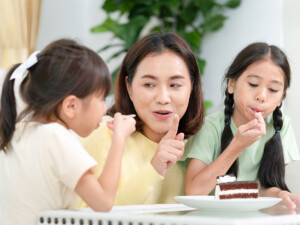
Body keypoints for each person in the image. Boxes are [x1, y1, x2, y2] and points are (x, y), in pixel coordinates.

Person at [0, 39, 136, 225]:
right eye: (102, 98)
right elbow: (103, 202)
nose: (105, 107)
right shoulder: (55, 137)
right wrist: (119, 138)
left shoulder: (16, 132)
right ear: (71, 106)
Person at [77, 32, 205, 206]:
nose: (163, 98)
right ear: (129, 87)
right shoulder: (104, 134)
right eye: (149, 84)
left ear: (192, 88)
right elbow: (81, 217)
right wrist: (154, 168)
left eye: (175, 85)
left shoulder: (199, 148)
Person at [185, 42, 300, 209]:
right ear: (231, 84)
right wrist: (237, 146)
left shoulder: (281, 126)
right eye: (253, 84)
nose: (261, 96)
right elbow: (194, 191)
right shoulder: (211, 126)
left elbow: (262, 189)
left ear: (281, 97)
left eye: (273, 89)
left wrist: (281, 194)